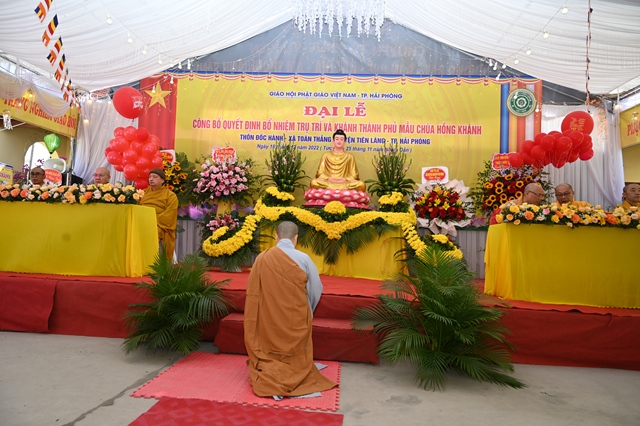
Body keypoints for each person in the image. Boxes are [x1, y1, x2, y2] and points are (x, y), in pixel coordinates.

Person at [244, 221, 337, 398]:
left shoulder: (262, 258)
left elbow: (254, 291)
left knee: (269, 337)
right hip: (296, 317)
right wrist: (307, 309)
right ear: (296, 238)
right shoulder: (304, 259)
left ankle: (271, 364)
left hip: (269, 318)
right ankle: (295, 367)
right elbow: (315, 290)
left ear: (276, 237)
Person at [139, 168, 178, 258]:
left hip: (158, 225)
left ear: (162, 180)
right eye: (150, 177)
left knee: (151, 233)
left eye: (155, 177)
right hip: (141, 222)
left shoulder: (170, 195)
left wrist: (150, 220)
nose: (151, 179)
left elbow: (169, 215)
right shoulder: (142, 193)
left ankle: (149, 262)